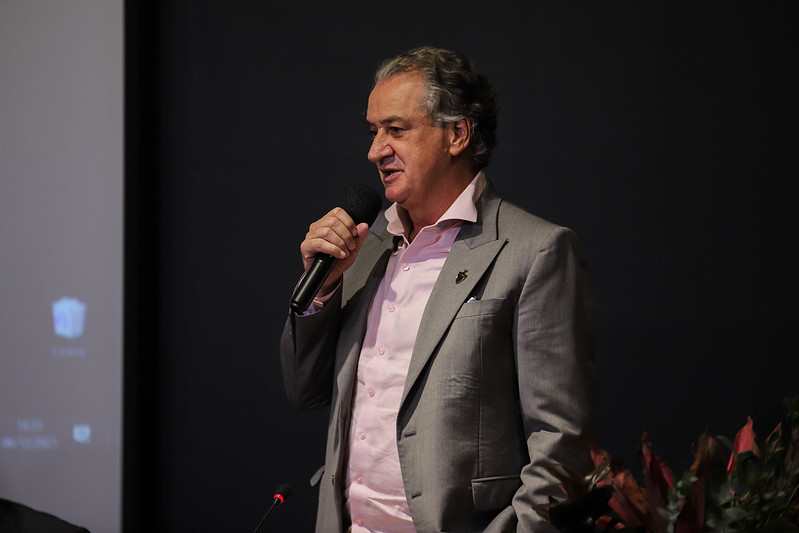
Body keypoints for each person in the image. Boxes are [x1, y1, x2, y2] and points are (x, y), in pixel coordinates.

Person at [280, 46, 597, 532]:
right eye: (373, 132)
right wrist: (322, 289)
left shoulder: (536, 251)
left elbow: (561, 448)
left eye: (395, 129)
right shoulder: (365, 246)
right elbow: (305, 390)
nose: (375, 150)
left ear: (457, 134)